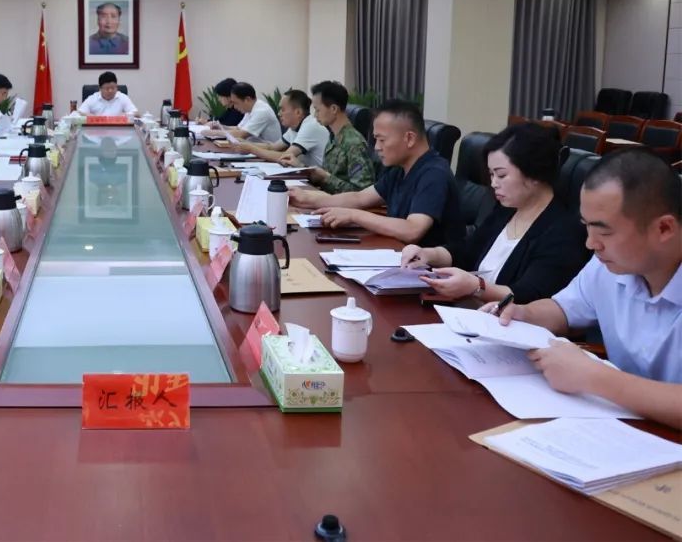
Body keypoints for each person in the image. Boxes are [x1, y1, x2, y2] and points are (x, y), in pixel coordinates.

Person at [491, 150, 681, 428]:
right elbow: (564, 309)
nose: (591, 244)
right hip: (621, 424)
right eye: (587, 227)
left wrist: (595, 378)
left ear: (664, 228)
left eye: (604, 232)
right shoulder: (609, 264)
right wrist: (523, 314)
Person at [401, 123, 589, 303]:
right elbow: (467, 251)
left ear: (535, 174)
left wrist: (476, 287)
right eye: (491, 174)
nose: (493, 184)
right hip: (470, 311)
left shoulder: (565, 231)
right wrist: (428, 254)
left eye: (501, 175)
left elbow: (531, 294)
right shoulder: (507, 210)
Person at [289, 100, 462, 246]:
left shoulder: (434, 174)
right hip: (397, 254)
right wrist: (308, 199)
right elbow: (359, 198)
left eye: (382, 140)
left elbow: (412, 230)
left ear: (409, 138)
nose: (377, 147)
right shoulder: (400, 169)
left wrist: (354, 215)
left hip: (430, 270)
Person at [305, 81, 375, 193]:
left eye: (318, 110)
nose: (315, 115)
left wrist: (326, 177)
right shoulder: (333, 137)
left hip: (340, 203)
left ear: (333, 109)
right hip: (326, 197)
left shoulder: (354, 143)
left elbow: (362, 192)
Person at [233, 89, 329, 167]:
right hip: (308, 175)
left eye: (282, 109)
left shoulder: (310, 126)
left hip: (320, 180)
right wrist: (245, 144)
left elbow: (285, 156)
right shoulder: (294, 127)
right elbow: (273, 147)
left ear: (298, 112)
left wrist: (251, 149)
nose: (279, 114)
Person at [206, 82, 281, 143]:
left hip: (267, 153)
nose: (234, 107)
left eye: (236, 103)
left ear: (247, 99)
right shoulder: (250, 109)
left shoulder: (262, 111)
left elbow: (242, 134)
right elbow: (239, 129)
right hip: (253, 150)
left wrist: (214, 133)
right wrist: (220, 126)